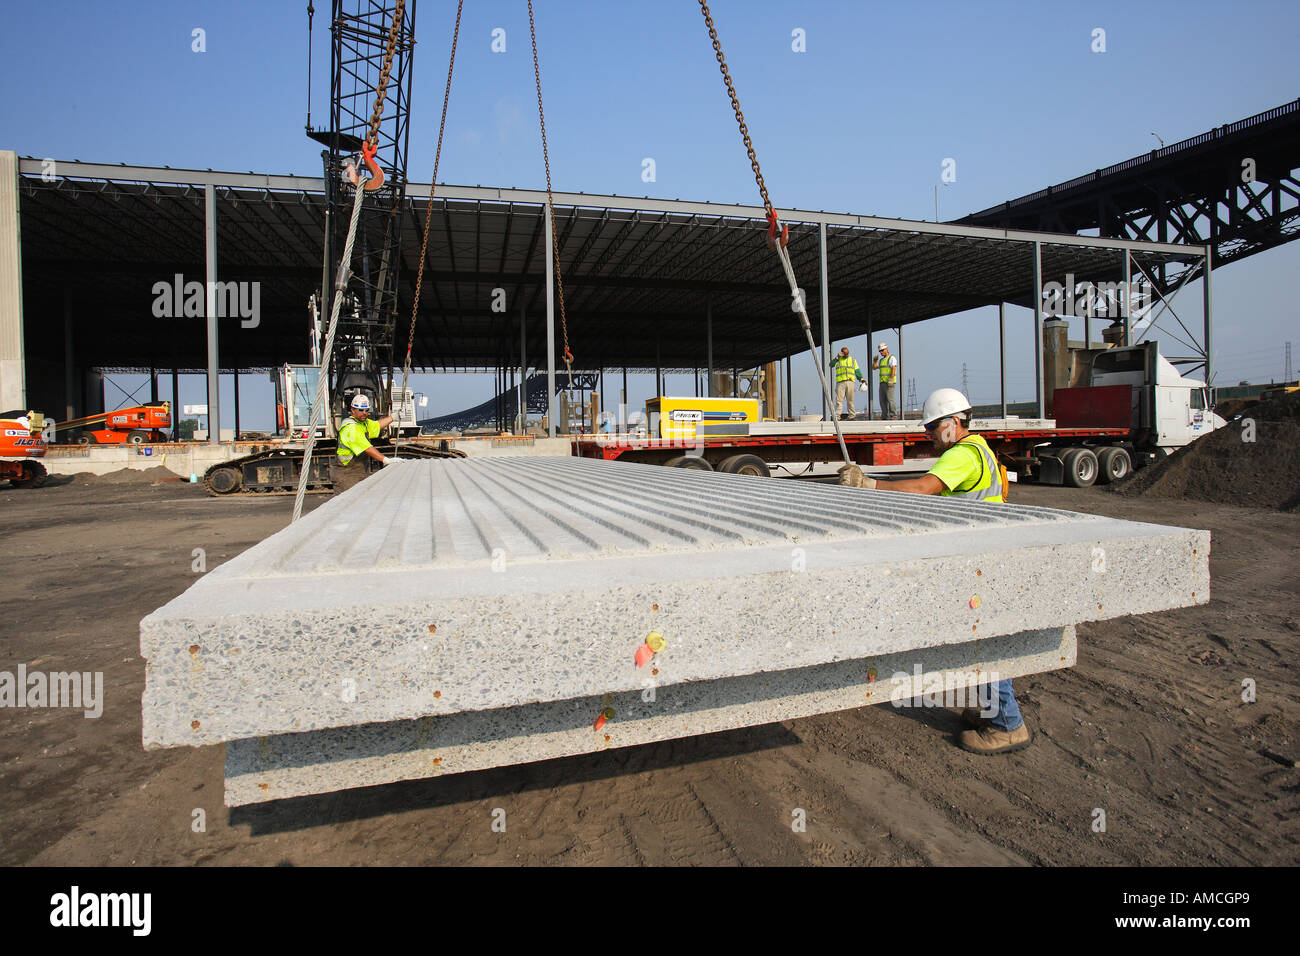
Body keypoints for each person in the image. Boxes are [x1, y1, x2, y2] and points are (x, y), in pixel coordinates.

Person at [837, 388, 1031, 756]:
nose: (928, 434)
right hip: (984, 553)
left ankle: (1008, 724)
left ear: (954, 422)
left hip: (978, 559)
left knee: (983, 639)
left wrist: (869, 485)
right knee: (978, 636)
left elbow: (925, 489)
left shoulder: (962, 454)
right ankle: (994, 710)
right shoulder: (979, 449)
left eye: (933, 427)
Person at [332, 393, 397, 494]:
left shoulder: (363, 423)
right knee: (347, 505)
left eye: (367, 410)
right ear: (353, 410)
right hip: (346, 475)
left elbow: (377, 425)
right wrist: (386, 460)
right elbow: (367, 448)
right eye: (361, 410)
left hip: (358, 472)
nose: (364, 413)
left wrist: (393, 417)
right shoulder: (350, 427)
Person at [830, 346, 865, 419]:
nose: (846, 355)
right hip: (840, 383)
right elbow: (831, 365)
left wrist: (861, 379)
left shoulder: (852, 360)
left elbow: (857, 371)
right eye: (844, 353)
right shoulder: (838, 360)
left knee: (850, 400)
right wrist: (837, 358)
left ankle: (852, 415)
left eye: (847, 353)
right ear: (842, 353)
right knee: (839, 401)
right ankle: (837, 416)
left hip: (850, 382)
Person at [872, 343, 898, 419]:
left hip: (889, 382)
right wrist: (875, 361)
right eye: (880, 351)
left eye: (882, 350)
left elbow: (893, 369)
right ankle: (884, 415)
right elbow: (874, 368)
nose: (881, 352)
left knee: (890, 399)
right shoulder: (881, 360)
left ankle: (893, 415)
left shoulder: (891, 358)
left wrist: (891, 379)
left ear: (886, 349)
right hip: (882, 382)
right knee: (882, 400)